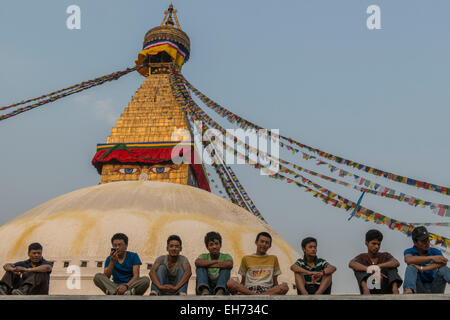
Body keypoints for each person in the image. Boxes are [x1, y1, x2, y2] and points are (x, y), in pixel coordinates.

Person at [349, 229, 403, 294]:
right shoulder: (362, 257)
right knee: (358, 266)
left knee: (390, 265)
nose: (377, 246)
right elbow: (351, 264)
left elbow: (396, 262)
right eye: (374, 244)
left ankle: (395, 289)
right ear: (366, 243)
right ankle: (365, 290)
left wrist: (377, 267)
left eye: (378, 244)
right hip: (370, 287)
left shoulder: (385, 255)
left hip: (385, 288)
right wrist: (369, 269)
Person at [403, 226, 450, 294]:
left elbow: (443, 263)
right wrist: (431, 258)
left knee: (444, 269)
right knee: (410, 267)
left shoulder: (435, 251)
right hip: (419, 288)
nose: (427, 242)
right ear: (415, 242)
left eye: (427, 239)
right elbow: (408, 260)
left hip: (435, 287)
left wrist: (422, 268)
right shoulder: (409, 251)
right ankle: (409, 290)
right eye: (423, 241)